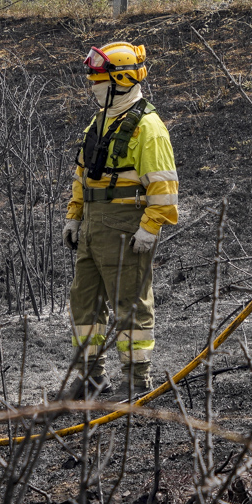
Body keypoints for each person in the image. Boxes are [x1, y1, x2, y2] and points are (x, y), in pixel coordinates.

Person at [64, 41, 179, 394]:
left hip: (127, 227)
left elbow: (163, 186)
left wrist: (150, 227)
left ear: (121, 80)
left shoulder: (149, 128)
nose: (93, 86)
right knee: (84, 303)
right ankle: (90, 377)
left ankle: (136, 379)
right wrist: (74, 216)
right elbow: (83, 175)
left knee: (130, 303)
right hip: (93, 227)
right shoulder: (98, 123)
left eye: (98, 79)